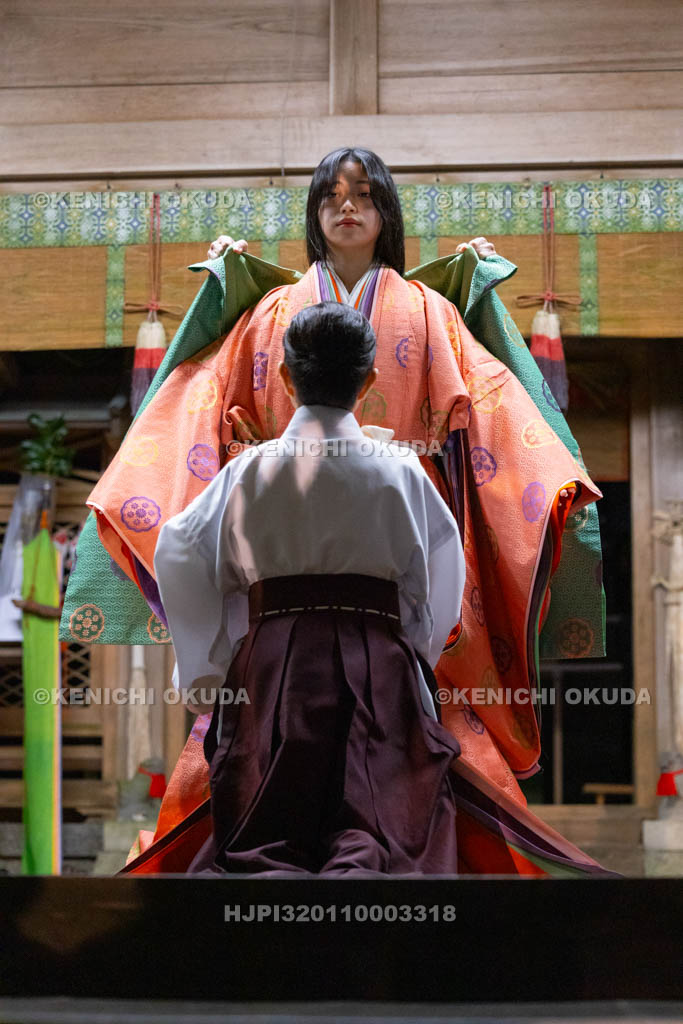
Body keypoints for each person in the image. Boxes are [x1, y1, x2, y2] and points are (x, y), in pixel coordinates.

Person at [76, 147, 606, 876]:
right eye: (330, 195)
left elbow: (484, 414)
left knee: (266, 797)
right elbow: (209, 401)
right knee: (386, 789)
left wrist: (213, 654)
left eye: (363, 195)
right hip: (373, 588)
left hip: (318, 584)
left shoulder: (428, 309)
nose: (345, 207)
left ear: (386, 212)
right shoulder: (270, 311)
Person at [154, 301, 466, 875]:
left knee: (267, 829)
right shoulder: (400, 469)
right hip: (378, 659)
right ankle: (367, 952)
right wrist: (410, 654)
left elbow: (179, 549)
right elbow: (441, 577)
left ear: (284, 376)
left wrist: (210, 664)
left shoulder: (249, 472)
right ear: (369, 380)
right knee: (381, 830)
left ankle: (274, 952)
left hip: (274, 665)